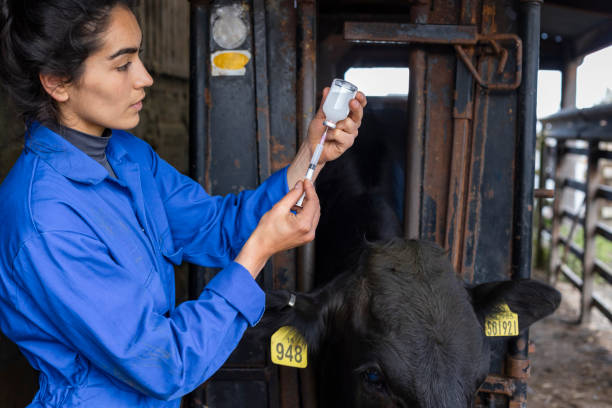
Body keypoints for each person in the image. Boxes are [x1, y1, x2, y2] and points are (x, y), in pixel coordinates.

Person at [0, 0, 366, 406]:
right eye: (122, 65)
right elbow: (164, 365)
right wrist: (260, 250)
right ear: (57, 82)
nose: (145, 78)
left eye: (139, 56)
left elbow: (215, 226)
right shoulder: (45, 220)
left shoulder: (127, 156)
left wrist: (310, 156)